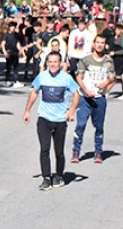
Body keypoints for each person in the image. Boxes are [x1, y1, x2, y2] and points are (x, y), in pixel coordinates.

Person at [23, 51, 80, 190]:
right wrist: (27, 110)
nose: (53, 64)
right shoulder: (42, 77)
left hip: (60, 120)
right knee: (44, 149)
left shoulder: (66, 78)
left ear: (60, 63)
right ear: (47, 63)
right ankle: (46, 178)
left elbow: (77, 94)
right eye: (50, 62)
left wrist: (71, 110)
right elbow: (34, 92)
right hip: (44, 118)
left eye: (56, 62)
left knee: (59, 151)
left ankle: (59, 176)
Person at [72, 34, 116, 164]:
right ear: (93, 44)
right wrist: (85, 91)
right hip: (85, 98)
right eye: (97, 42)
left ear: (105, 45)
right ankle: (76, 151)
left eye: (102, 42)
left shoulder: (108, 61)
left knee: (99, 127)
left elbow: (113, 77)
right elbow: (78, 77)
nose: (100, 45)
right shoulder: (86, 60)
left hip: (99, 99)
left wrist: (105, 84)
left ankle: (98, 151)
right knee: (80, 125)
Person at [1, 21, 22, 87]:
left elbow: (17, 43)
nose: (13, 28)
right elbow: (3, 44)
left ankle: (16, 81)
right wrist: (4, 52)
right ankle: (7, 80)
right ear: (9, 27)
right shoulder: (6, 35)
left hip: (15, 52)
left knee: (16, 67)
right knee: (8, 67)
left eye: (14, 27)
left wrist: (20, 50)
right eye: (11, 27)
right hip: (9, 52)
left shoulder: (16, 34)